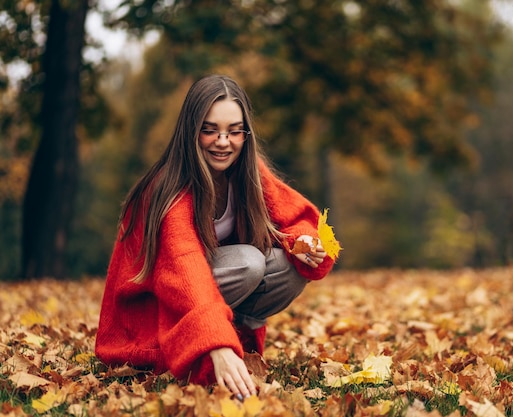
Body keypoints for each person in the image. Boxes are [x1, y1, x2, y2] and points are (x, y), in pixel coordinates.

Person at [95, 74, 335, 400]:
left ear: (245, 134)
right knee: (249, 262)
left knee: (285, 266)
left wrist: (306, 242)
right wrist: (214, 344)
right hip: (150, 316)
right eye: (210, 130)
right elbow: (186, 268)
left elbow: (296, 216)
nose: (223, 141)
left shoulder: (246, 172)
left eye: (234, 131)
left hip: (200, 295)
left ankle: (241, 343)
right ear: (191, 131)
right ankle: (209, 348)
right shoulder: (169, 190)